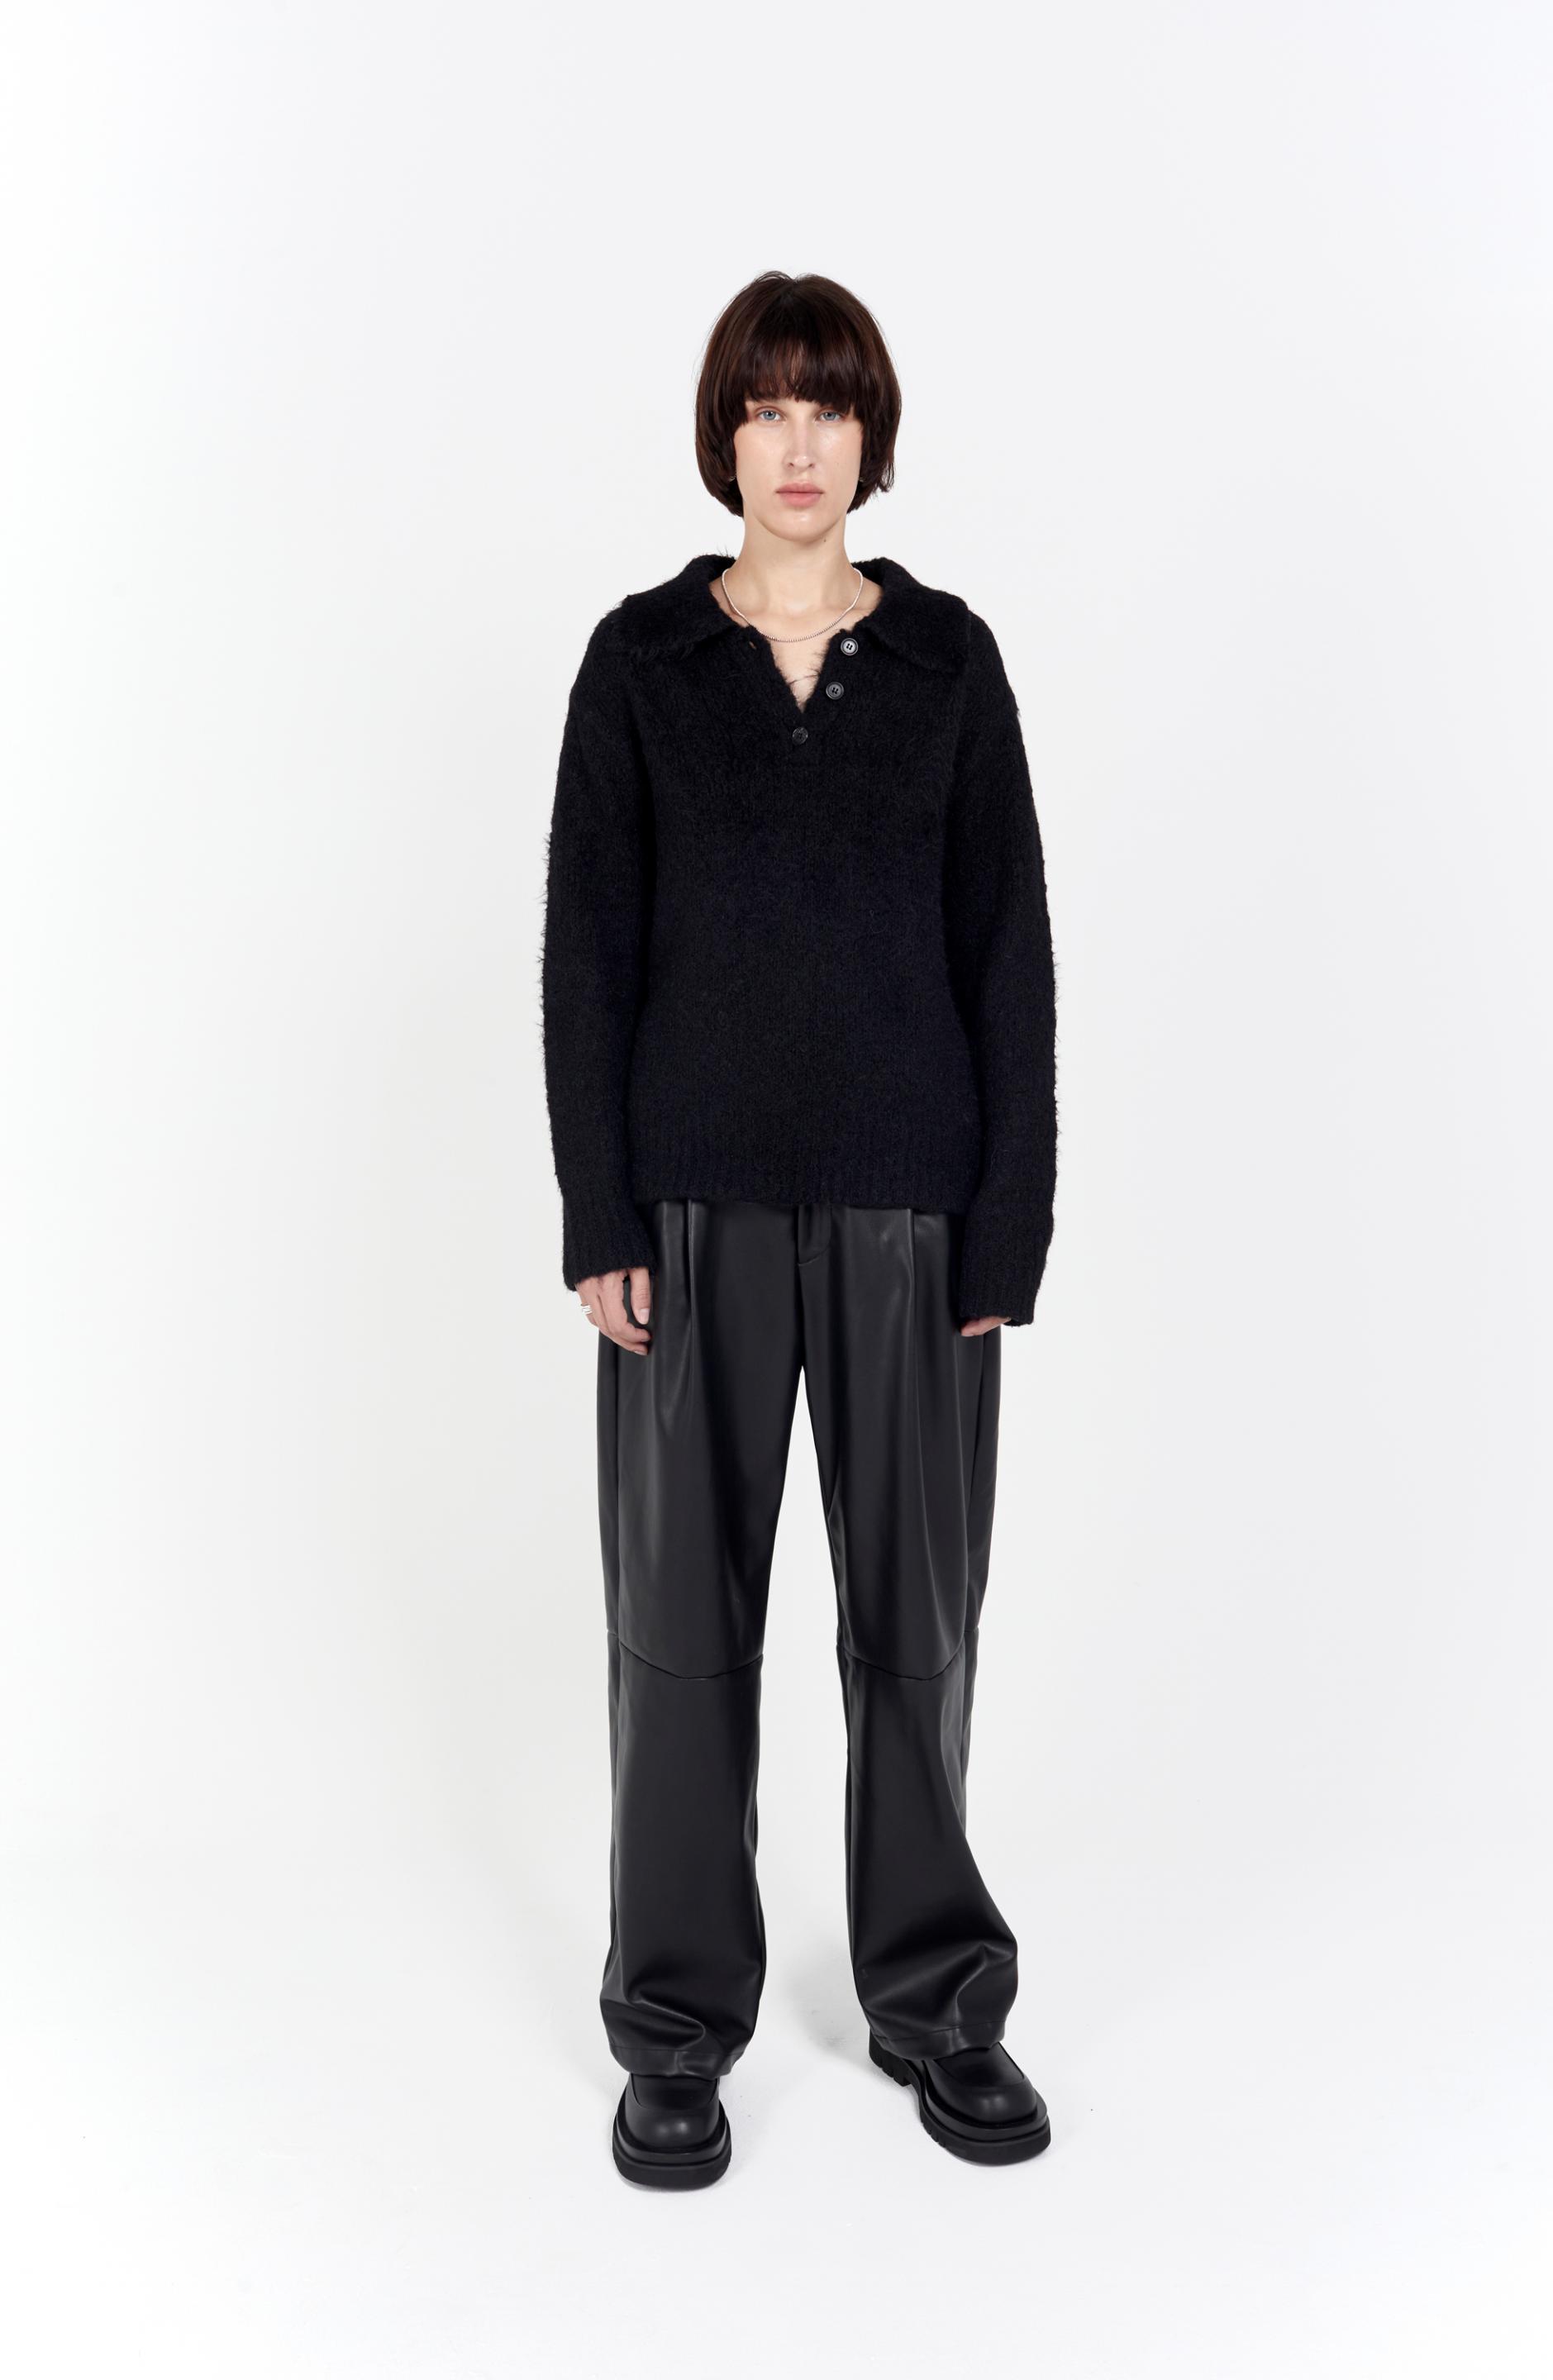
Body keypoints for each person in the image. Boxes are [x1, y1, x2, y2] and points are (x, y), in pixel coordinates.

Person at [540, 270, 1059, 2187]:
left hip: (915, 1213)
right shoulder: (642, 663)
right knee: (681, 1637)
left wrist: (1004, 1235)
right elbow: (588, 956)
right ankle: (676, 2026)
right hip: (691, 1218)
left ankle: (938, 2000)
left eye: (826, 406)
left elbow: (1010, 958)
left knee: (916, 1629)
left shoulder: (947, 665)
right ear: (725, 437)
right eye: (764, 407)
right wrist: (602, 1212)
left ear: (869, 435)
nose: (796, 443)